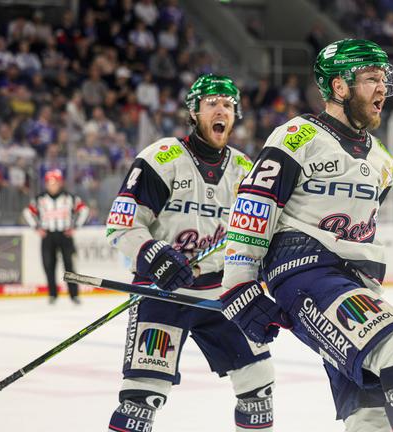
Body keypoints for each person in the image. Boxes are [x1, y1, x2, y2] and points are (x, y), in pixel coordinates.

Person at [220, 39, 393, 432]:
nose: (383, 89)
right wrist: (239, 284)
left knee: (370, 410)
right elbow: (255, 205)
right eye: (371, 79)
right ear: (339, 86)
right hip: (304, 271)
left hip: (352, 285)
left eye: (383, 80)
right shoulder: (297, 136)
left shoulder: (382, 160)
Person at [104, 74, 275, 432]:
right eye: (212, 102)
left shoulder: (246, 170)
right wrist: (154, 255)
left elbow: (260, 237)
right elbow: (121, 224)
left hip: (222, 294)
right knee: (142, 397)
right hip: (164, 290)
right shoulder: (162, 157)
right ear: (194, 111)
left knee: (259, 386)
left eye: (228, 105)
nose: (221, 110)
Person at [23, 169, 89, 304]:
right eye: (49, 183)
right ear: (46, 184)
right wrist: (37, 228)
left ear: (60, 183)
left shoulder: (70, 198)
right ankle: (52, 294)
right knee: (48, 265)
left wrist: (75, 226)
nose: (52, 185)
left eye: (55, 182)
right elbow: (28, 212)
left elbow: (84, 210)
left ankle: (74, 294)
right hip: (48, 235)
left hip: (65, 235)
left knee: (70, 266)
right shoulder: (40, 199)